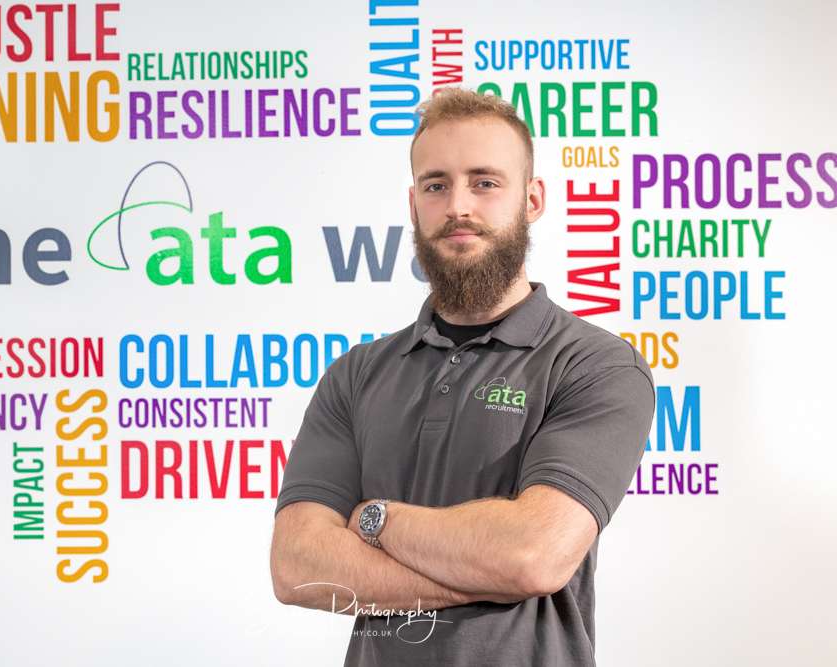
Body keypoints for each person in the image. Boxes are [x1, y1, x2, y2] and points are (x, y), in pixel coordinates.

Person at [270, 87, 654, 666]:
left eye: (485, 182)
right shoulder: (355, 376)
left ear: (532, 199)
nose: (458, 206)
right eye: (436, 185)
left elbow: (533, 556)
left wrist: (375, 519)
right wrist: (486, 572)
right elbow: (297, 566)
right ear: (413, 203)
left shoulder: (592, 365)